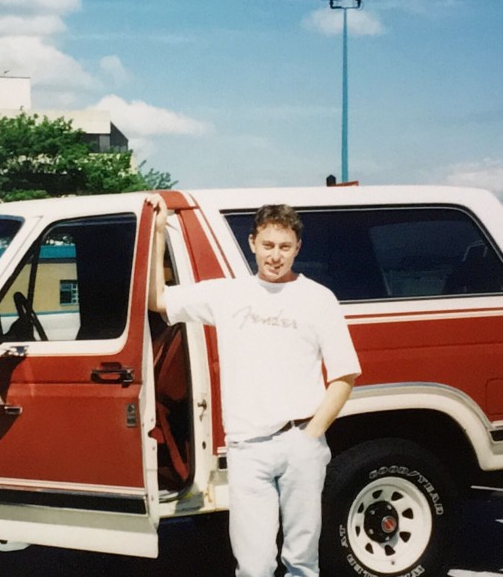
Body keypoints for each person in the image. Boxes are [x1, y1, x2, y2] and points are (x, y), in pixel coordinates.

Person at [147, 195, 360, 577]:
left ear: (297, 248)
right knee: (254, 565)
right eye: (267, 246)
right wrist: (160, 231)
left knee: (302, 562)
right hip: (247, 449)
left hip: (301, 444)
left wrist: (311, 436)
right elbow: (158, 299)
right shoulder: (228, 294)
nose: (275, 256)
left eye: (284, 247)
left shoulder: (318, 299)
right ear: (252, 244)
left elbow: (345, 377)